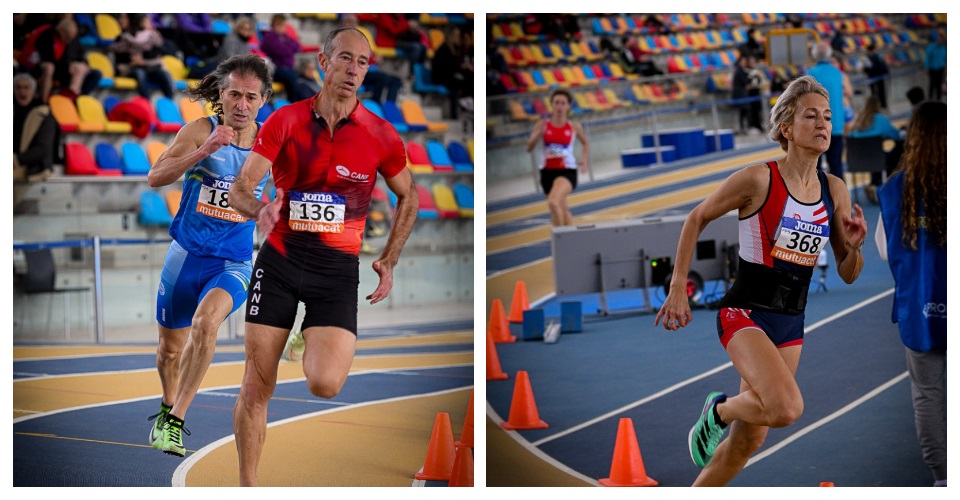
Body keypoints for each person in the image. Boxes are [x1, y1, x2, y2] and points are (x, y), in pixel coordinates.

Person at [226, 27, 418, 486]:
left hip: (335, 273)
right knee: (256, 385)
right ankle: (247, 486)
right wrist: (260, 209)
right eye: (346, 59)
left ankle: (305, 334)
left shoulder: (380, 134)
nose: (354, 70)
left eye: (363, 63)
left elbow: (408, 197)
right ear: (323, 62)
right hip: (278, 263)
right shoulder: (285, 120)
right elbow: (240, 188)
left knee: (324, 384)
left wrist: (389, 257)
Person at [654, 75, 867, 486]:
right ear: (786, 129)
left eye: (827, 116)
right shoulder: (758, 179)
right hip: (745, 312)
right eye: (811, 116)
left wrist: (854, 247)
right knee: (786, 408)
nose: (823, 123)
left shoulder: (834, 189)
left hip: (791, 320)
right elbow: (696, 217)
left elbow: (848, 273)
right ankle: (718, 410)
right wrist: (678, 285)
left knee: (746, 444)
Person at [144, 54, 273, 458]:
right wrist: (203, 152)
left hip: (232, 263)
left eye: (250, 97)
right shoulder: (201, 129)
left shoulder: (272, 143)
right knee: (168, 351)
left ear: (263, 100)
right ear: (221, 93)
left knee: (206, 322)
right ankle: (168, 404)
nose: (241, 104)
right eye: (234, 94)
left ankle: (176, 419)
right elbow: (155, 177)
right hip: (185, 257)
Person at [875, 100, 947, 488]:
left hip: (920, 310)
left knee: (928, 397)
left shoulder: (894, 191)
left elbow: (886, 251)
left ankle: (942, 479)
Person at [525, 89, 590, 227]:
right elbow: (529, 148)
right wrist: (537, 134)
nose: (559, 106)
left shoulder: (573, 126)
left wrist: (584, 160)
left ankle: (559, 238)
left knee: (553, 202)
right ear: (552, 105)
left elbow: (585, 142)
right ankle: (572, 240)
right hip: (547, 172)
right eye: (556, 103)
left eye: (563, 103)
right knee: (561, 208)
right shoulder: (543, 124)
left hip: (566, 171)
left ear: (568, 106)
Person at [18, 17, 102, 103]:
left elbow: (72, 57)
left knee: (84, 70)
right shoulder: (46, 34)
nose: (69, 41)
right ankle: (44, 100)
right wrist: (68, 67)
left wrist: (77, 66)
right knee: (49, 67)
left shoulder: (63, 39)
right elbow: (48, 59)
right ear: (61, 31)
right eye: (68, 37)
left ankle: (73, 97)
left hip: (52, 66)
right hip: (30, 66)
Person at [844, 95, 903, 202]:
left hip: (856, 161)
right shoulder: (880, 119)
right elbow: (897, 135)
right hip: (876, 160)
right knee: (897, 150)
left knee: (874, 152)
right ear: (878, 106)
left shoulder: (858, 121)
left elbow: (850, 137)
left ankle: (874, 182)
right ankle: (881, 183)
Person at [806, 42, 847, 180]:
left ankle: (818, 199)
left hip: (816, 127)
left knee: (815, 168)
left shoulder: (810, 74)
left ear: (814, 55)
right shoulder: (838, 73)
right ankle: (840, 199)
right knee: (836, 166)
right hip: (836, 126)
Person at [112, 14, 177, 100]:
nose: (120, 20)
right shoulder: (123, 37)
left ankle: (170, 103)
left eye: (124, 17)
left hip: (148, 67)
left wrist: (143, 60)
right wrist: (132, 60)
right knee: (140, 73)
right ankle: (147, 102)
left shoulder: (148, 36)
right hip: (129, 68)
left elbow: (158, 51)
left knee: (164, 74)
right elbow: (119, 58)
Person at [14, 73, 58, 183]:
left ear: (33, 92)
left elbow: (42, 149)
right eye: (18, 87)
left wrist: (15, 160)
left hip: (35, 171)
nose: (22, 92)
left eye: (26, 88)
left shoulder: (44, 113)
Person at [187, 16, 255, 79]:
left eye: (249, 29)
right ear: (239, 28)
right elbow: (230, 57)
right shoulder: (231, 39)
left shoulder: (245, 42)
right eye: (245, 29)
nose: (247, 32)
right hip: (221, 66)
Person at [430, 25, 473, 119]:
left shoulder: (455, 50)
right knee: (462, 81)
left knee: (470, 77)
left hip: (450, 76)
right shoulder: (444, 49)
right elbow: (445, 69)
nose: (459, 38)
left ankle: (468, 105)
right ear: (451, 36)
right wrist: (461, 67)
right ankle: (459, 111)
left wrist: (464, 67)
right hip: (441, 77)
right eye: (457, 36)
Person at [260, 14, 302, 101]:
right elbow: (283, 52)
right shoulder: (270, 37)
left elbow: (297, 46)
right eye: (283, 25)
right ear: (276, 25)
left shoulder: (284, 36)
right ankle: (294, 103)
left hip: (288, 68)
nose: (285, 28)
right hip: (276, 69)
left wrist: (288, 47)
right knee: (292, 78)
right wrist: (289, 48)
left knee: (299, 77)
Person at [863, 43, 889, 109]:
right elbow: (865, 69)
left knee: (881, 92)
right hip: (871, 77)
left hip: (879, 77)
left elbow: (883, 67)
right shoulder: (866, 58)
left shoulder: (879, 56)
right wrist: (867, 68)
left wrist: (873, 68)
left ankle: (883, 106)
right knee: (873, 93)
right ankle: (875, 107)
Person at [924, 29, 946, 101]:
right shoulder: (931, 47)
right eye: (940, 38)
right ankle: (930, 99)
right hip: (932, 69)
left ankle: (939, 99)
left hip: (941, 68)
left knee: (939, 85)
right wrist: (927, 67)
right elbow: (927, 58)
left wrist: (946, 68)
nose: (941, 40)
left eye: (942, 39)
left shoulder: (944, 48)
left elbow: (945, 58)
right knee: (932, 85)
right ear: (937, 38)